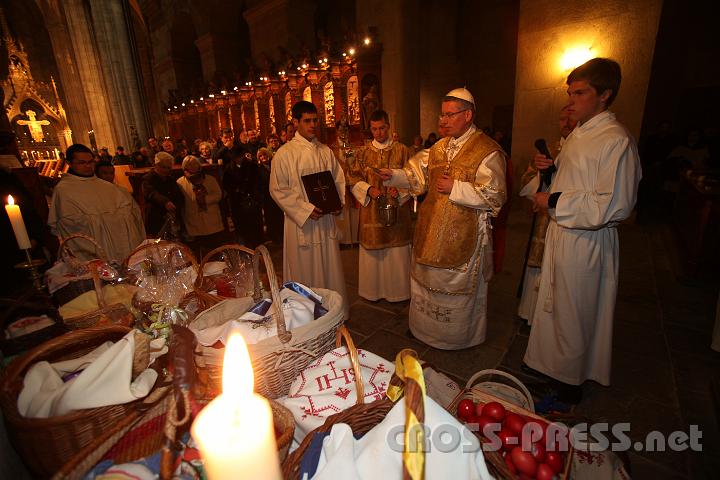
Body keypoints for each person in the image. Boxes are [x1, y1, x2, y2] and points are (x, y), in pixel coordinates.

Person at [523, 58, 642, 402]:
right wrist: (549, 169)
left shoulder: (615, 140)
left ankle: (568, 383)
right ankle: (550, 367)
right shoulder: (579, 133)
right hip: (564, 233)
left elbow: (614, 203)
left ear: (605, 95)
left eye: (580, 93)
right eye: (570, 92)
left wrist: (555, 200)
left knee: (575, 310)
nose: (571, 100)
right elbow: (573, 180)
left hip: (587, 239)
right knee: (553, 304)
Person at [379, 88, 506, 349]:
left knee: (454, 284)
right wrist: (393, 175)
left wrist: (456, 188)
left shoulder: (487, 151)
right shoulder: (438, 148)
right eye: (442, 115)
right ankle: (424, 330)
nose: (443, 121)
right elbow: (417, 176)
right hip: (431, 228)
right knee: (426, 280)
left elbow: (496, 195)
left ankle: (455, 337)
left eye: (450, 115)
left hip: (463, 232)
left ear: (468, 115)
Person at [270, 101, 348, 317]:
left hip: (325, 222)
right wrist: (304, 209)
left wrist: (337, 203)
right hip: (301, 225)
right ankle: (304, 317)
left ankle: (333, 314)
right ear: (295, 122)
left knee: (329, 269)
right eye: (307, 121)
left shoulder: (325, 151)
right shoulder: (284, 154)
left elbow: (338, 180)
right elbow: (278, 189)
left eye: (315, 120)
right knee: (304, 271)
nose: (313, 125)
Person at [517, 106, 577, 323]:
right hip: (544, 218)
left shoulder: (584, 150)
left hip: (571, 220)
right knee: (538, 266)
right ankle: (530, 315)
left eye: (570, 118)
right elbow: (525, 184)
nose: (566, 123)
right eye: (562, 119)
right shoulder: (548, 149)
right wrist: (541, 173)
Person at [350, 110, 412, 302]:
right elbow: (353, 178)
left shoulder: (403, 150)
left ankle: (398, 293)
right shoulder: (362, 153)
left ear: (388, 126)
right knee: (374, 254)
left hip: (398, 212)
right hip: (372, 213)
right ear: (371, 129)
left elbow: (414, 177)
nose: (379, 133)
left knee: (396, 252)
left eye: (382, 128)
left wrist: (400, 190)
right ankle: (373, 292)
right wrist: (368, 189)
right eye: (375, 129)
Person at [48, 144, 145, 262]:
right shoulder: (63, 190)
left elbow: (135, 215)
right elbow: (71, 226)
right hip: (96, 255)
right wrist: (106, 220)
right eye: (82, 163)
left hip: (126, 251)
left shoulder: (111, 188)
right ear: (69, 163)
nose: (88, 166)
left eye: (91, 162)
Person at [177, 155, 226, 256]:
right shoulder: (180, 183)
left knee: (216, 253)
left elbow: (218, 195)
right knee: (199, 255)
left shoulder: (209, 179)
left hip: (212, 223)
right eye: (190, 169)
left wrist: (205, 199)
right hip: (194, 224)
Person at [223, 146, 264, 248]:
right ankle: (246, 247)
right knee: (242, 227)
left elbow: (258, 182)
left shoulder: (252, 166)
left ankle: (258, 246)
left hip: (252, 201)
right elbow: (227, 185)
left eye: (240, 156)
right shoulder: (229, 169)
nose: (239, 159)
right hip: (237, 203)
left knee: (255, 227)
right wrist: (237, 190)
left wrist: (251, 192)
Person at [142, 151, 184, 237]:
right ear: (156, 165)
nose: (166, 170)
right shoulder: (148, 179)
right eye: (164, 167)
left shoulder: (170, 179)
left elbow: (178, 195)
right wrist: (165, 202)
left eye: (169, 168)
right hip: (156, 217)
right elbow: (151, 193)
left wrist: (177, 206)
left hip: (171, 218)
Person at [257, 147, 284, 242]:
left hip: (278, 195)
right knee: (270, 217)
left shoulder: (274, 165)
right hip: (267, 197)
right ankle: (274, 237)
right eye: (260, 156)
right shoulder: (259, 169)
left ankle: (281, 235)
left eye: (264, 155)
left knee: (279, 216)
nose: (263, 157)